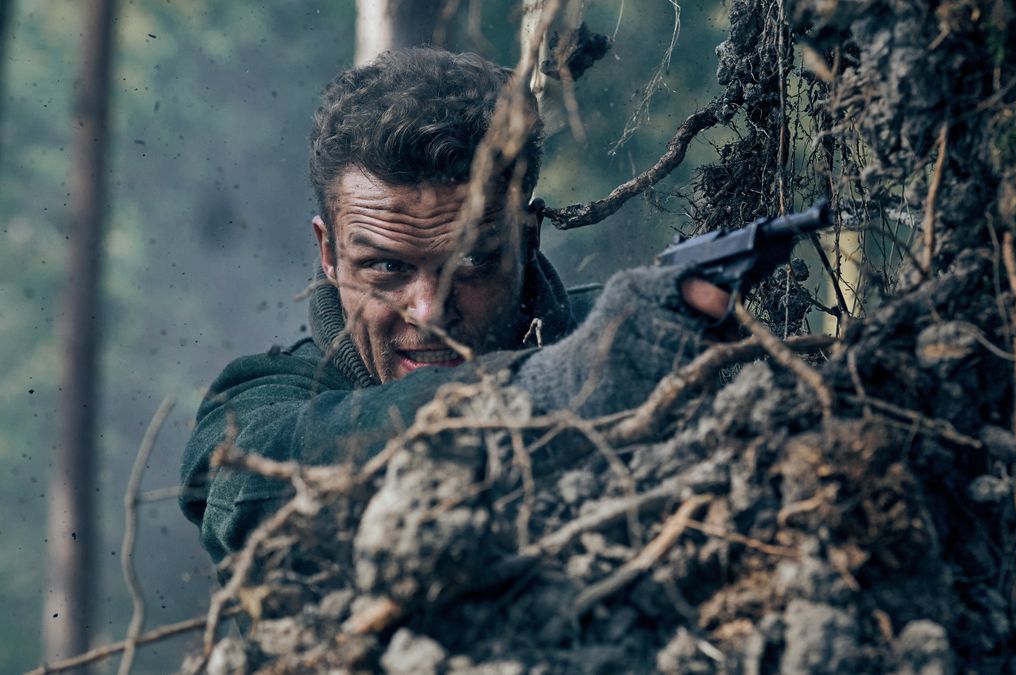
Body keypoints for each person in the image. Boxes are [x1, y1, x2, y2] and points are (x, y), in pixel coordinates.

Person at [180, 48, 730, 564]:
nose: (428, 310)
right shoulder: (267, 395)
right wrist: (549, 387)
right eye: (388, 268)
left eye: (470, 263)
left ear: (528, 238)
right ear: (329, 253)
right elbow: (240, 486)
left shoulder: (627, 339)